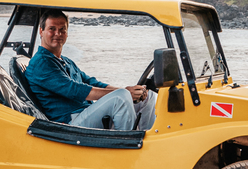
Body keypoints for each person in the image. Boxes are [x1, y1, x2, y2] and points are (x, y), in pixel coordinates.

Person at [24, 9, 157, 131]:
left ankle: (147, 141)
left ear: (67, 33)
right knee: (121, 97)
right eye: (52, 29)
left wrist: (132, 91)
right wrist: (125, 92)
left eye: (62, 29)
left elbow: (92, 83)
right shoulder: (41, 63)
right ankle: (126, 146)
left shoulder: (66, 61)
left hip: (84, 113)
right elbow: (75, 90)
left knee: (148, 96)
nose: (57, 34)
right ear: (41, 31)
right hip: (69, 123)